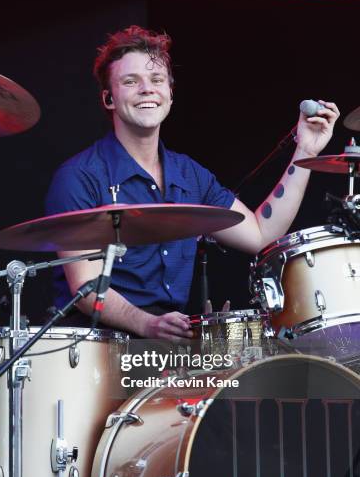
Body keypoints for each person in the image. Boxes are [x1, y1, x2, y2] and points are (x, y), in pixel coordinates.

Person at [46, 25, 339, 341]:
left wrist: (305, 151)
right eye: (131, 81)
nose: (147, 89)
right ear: (109, 99)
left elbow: (259, 233)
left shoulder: (189, 175)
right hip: (94, 348)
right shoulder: (80, 176)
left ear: (170, 94)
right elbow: (87, 288)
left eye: (157, 80)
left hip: (167, 346)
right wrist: (146, 324)